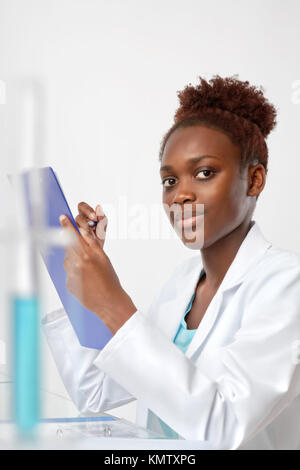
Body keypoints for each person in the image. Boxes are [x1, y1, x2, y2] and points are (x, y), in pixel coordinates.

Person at [42, 74, 300, 450]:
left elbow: (225, 426)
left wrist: (114, 302)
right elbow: (93, 391)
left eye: (204, 172)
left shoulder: (287, 285)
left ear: (255, 179)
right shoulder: (181, 285)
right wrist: (80, 281)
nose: (180, 196)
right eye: (169, 181)